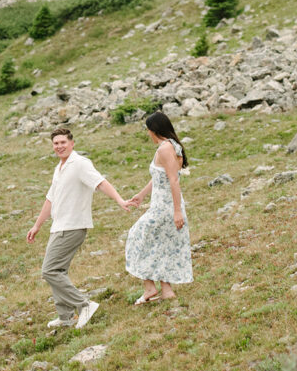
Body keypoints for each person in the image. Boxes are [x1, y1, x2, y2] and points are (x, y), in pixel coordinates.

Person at [27, 127, 133, 329]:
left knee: (49, 271)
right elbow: (50, 199)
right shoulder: (59, 168)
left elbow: (100, 182)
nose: (59, 146)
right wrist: (37, 225)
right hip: (58, 226)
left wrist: (120, 200)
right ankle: (65, 316)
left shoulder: (80, 164)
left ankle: (84, 305)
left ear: (72, 143)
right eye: (56, 143)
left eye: (63, 142)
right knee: (58, 271)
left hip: (73, 226)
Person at [125, 111, 193, 303]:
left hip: (164, 206)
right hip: (166, 204)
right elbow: (160, 176)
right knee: (162, 244)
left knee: (136, 236)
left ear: (154, 130)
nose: (148, 135)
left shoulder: (164, 149)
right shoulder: (174, 146)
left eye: (148, 131)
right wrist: (141, 195)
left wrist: (177, 211)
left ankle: (149, 288)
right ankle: (166, 290)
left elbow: (173, 180)